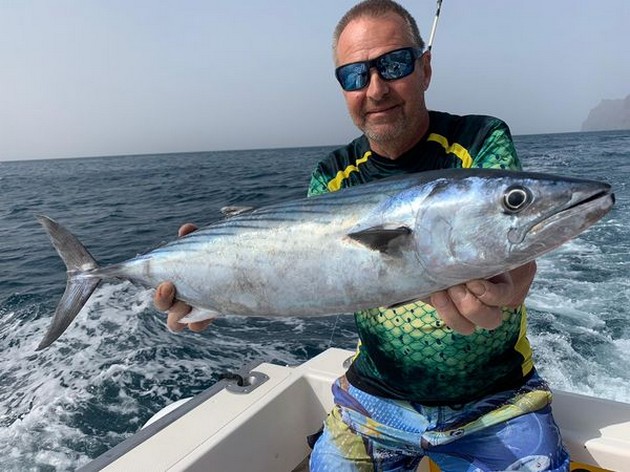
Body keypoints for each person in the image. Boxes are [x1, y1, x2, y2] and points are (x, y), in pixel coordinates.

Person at [155, 1, 570, 470]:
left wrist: (510, 288)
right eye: (354, 75)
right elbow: (305, 268)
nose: (375, 89)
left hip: (496, 400)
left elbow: (514, 244)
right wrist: (214, 285)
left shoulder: (479, 141)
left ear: (425, 68)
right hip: (373, 401)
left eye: (394, 64)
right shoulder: (333, 175)